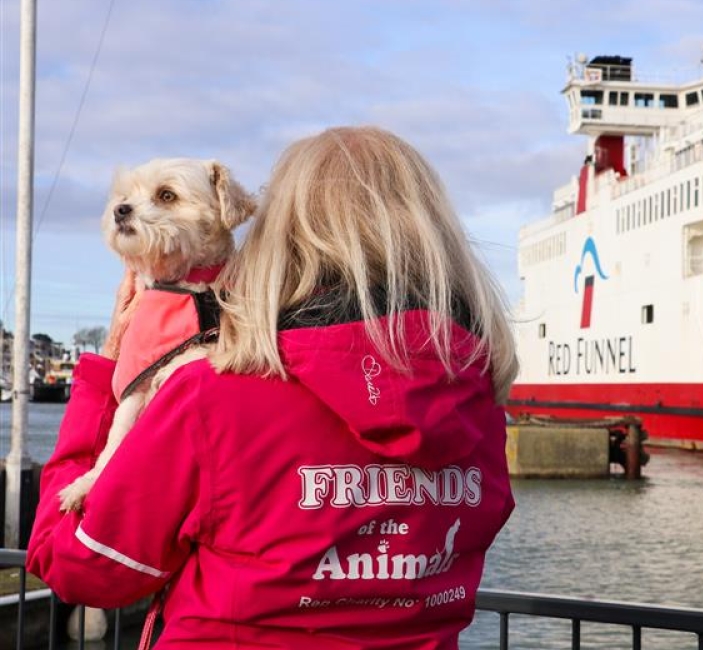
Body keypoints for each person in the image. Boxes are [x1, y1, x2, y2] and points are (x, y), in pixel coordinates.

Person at [27, 126, 518, 649]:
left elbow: (79, 564)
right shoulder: (479, 406)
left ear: (279, 234)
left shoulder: (211, 395)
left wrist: (104, 376)